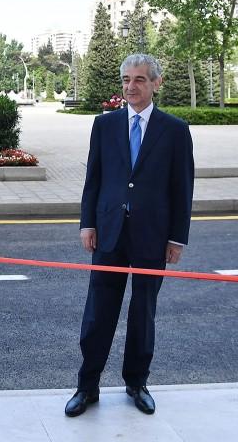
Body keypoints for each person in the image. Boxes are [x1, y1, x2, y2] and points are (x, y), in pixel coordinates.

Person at [65, 53, 194, 418]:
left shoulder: (174, 130)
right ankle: (87, 385)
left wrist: (176, 239)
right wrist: (87, 224)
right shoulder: (104, 125)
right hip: (108, 234)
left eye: (139, 79)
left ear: (156, 83)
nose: (130, 87)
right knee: (98, 313)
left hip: (152, 237)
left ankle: (137, 383)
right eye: (126, 79)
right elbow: (94, 180)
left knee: (143, 313)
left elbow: (182, 188)